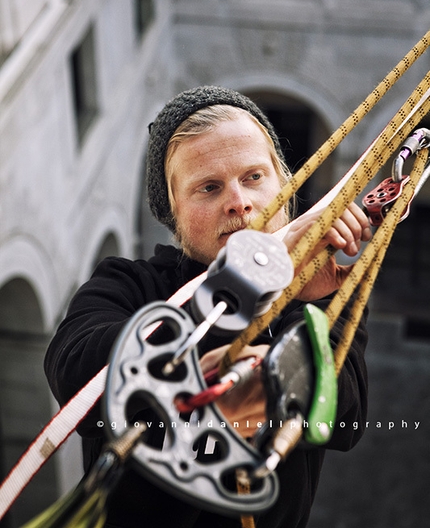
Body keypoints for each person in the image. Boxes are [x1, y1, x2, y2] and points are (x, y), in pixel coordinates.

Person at [45, 86, 371, 528]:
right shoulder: (126, 283)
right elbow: (74, 374)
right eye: (209, 187)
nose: (238, 201)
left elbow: (345, 417)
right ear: (173, 211)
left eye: (254, 177)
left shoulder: (318, 284)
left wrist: (281, 360)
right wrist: (248, 284)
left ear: (284, 182)